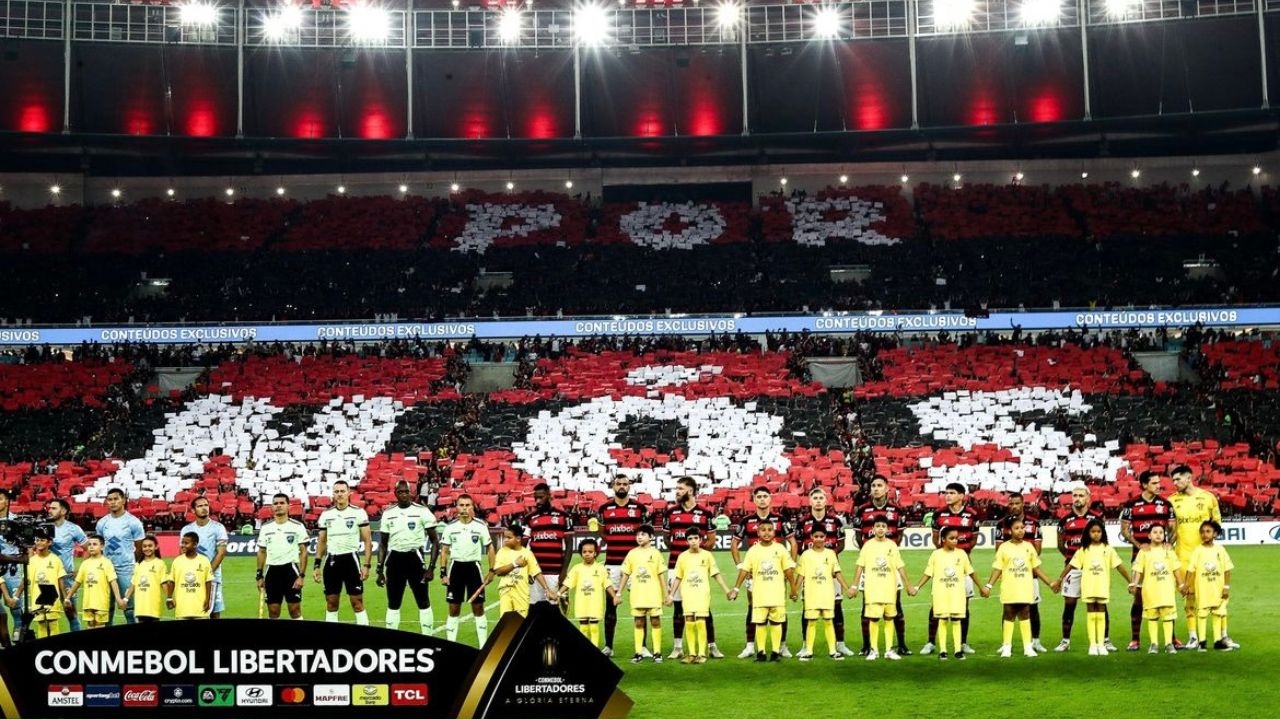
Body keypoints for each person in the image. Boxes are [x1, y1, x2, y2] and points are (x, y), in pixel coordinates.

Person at [1052, 518, 1132, 656]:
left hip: (1102, 585)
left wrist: (1131, 581)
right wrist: (1060, 579)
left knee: (1101, 612)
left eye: (1098, 531)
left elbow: (1120, 567)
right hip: (1089, 585)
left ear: (1103, 533)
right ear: (1087, 533)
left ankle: (1101, 644)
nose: (1096, 534)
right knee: (1091, 613)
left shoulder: (1108, 549)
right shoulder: (1084, 550)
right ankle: (1093, 644)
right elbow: (1071, 565)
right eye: (1093, 531)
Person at [730, 486, 794, 658]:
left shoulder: (780, 519)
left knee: (779, 607)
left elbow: (793, 543)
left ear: (770, 498)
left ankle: (782, 646)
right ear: (754, 499)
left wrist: (790, 565)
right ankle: (751, 646)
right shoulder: (747, 520)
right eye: (759, 496)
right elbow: (734, 544)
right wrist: (740, 566)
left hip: (775, 572)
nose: (762, 499)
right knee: (753, 607)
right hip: (755, 573)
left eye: (765, 496)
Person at [1168, 465, 1226, 649]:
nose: (1175, 483)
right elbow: (1172, 531)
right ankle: (1194, 637)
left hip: (1208, 557)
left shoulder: (1208, 498)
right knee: (1189, 598)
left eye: (1178, 479)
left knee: (1218, 597)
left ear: (1188, 477)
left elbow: (1217, 525)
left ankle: (1222, 636)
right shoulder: (1171, 501)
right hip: (1184, 557)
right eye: (1173, 480)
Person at [664, 476, 722, 659]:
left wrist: (697, 558)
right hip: (675, 566)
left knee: (704, 608)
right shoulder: (671, 512)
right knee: (678, 607)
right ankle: (678, 647)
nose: (677, 491)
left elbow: (711, 540)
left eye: (680, 488)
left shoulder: (706, 513)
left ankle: (711, 646)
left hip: (698, 568)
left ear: (690, 490)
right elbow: (667, 539)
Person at [852, 475, 909, 656]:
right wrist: (871, 553)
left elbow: (898, 537)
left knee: (895, 604)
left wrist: (887, 550)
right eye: (873, 486)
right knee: (867, 604)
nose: (876, 488)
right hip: (870, 565)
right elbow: (859, 537)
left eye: (879, 485)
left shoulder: (897, 510)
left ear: (887, 488)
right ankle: (867, 646)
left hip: (890, 564)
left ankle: (901, 644)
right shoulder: (861, 510)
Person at [1119, 470, 1176, 650]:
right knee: (1139, 598)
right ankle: (1135, 639)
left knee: (1166, 598)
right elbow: (1125, 530)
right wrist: (1138, 544)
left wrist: (1169, 544)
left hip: (1163, 558)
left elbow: (1174, 529)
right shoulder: (1131, 505)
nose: (1159, 485)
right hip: (1141, 558)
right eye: (1154, 483)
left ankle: (1171, 639)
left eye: (1159, 482)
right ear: (1144, 485)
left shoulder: (1166, 504)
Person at [921, 483, 979, 655]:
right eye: (946, 492)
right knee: (936, 606)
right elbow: (935, 538)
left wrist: (961, 553)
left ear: (962, 496)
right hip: (943, 566)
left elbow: (974, 539)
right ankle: (931, 642)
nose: (947, 496)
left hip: (962, 565)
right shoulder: (938, 514)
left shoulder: (972, 515)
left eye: (952, 493)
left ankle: (962, 642)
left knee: (964, 605)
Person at [986, 517, 1055, 658]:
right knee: (1009, 615)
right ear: (1010, 530)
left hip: (1025, 587)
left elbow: (1037, 568)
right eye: (1017, 528)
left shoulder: (1029, 547)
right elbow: (997, 569)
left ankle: (1027, 647)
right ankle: (1006, 646)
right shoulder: (1004, 547)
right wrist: (989, 586)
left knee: (1025, 615)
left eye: (1022, 528)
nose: (1021, 531)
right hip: (1009, 587)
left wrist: (1050, 583)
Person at [1054, 482, 1111, 652]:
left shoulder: (1096, 518)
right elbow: (1060, 544)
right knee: (1070, 603)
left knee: (1099, 602)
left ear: (1088, 498)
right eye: (1075, 496)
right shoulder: (1064, 520)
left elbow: (1104, 542)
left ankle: (1105, 640)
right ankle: (1065, 641)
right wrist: (1072, 559)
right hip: (1073, 568)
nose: (1077, 499)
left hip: (1093, 568)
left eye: (1080, 495)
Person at [914, 526, 986, 660]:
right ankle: (943, 651)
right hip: (940, 593)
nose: (955, 541)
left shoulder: (961, 554)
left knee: (956, 620)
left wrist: (982, 587)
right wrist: (917, 587)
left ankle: (958, 650)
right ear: (943, 539)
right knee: (942, 620)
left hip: (957, 593)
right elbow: (928, 573)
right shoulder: (936, 555)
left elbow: (971, 572)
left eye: (956, 538)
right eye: (951, 538)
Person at [377, 480, 440, 633]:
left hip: (415, 559)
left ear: (411, 493)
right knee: (393, 602)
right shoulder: (388, 514)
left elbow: (435, 541)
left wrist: (431, 567)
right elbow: (383, 544)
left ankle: (428, 636)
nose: (404, 494)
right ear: (395, 494)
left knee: (423, 601)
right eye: (401, 492)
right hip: (395, 560)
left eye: (407, 491)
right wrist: (379, 570)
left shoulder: (422, 511)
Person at [597, 475, 649, 658]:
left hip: (636, 564)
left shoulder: (640, 508)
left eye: (625, 484)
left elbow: (645, 534)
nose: (621, 487)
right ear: (613, 486)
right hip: (612, 563)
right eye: (618, 484)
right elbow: (603, 533)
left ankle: (642, 646)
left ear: (630, 487)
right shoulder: (604, 509)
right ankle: (609, 646)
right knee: (611, 605)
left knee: (641, 604)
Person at [667, 527, 731, 664]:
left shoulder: (707, 555)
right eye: (690, 539)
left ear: (701, 540)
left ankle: (702, 654)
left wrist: (726, 590)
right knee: (689, 619)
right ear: (686, 542)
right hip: (687, 593)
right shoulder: (682, 557)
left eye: (696, 538)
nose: (693, 541)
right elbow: (678, 577)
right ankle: (691, 654)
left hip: (702, 593)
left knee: (701, 620)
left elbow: (716, 574)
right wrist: (671, 595)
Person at [995, 491, 1048, 652]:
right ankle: (1006, 643)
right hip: (1010, 575)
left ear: (1023, 503)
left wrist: (1023, 555)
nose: (1014, 506)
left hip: (1029, 573)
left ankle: (1036, 640)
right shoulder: (1001, 524)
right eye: (1011, 503)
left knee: (1032, 607)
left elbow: (1037, 550)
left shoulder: (1034, 523)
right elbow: (999, 551)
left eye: (1017, 503)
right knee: (1008, 608)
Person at [314, 480, 373, 625]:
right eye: (336, 492)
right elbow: (322, 541)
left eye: (342, 491)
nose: (339, 494)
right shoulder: (326, 515)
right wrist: (316, 565)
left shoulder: (358, 513)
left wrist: (366, 565)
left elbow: (367, 541)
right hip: (332, 561)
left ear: (348, 493)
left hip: (351, 560)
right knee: (331, 603)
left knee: (357, 602)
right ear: (333, 495)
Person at [440, 494, 496, 645]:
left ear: (472, 507)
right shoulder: (450, 527)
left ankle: (483, 646)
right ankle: (450, 644)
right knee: (453, 608)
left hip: (474, 568)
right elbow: (444, 551)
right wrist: (443, 573)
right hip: (456, 568)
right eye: (461, 505)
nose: (464, 508)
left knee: (478, 607)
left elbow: (490, 547)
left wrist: (491, 570)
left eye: (467, 505)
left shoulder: (480, 526)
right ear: (456, 507)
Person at [792, 527, 852, 661]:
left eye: (821, 536)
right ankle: (808, 651)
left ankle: (833, 651)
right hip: (811, 594)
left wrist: (847, 588)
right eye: (816, 536)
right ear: (811, 537)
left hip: (826, 593)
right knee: (811, 622)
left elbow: (837, 573)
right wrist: (794, 590)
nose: (819, 539)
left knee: (829, 621)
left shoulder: (830, 554)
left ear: (826, 538)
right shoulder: (806, 555)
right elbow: (800, 575)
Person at [1129, 524, 1184, 653]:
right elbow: (1138, 570)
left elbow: (1176, 569)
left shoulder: (1169, 551)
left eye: (1161, 532)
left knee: (1168, 616)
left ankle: (1168, 643)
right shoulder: (1144, 552)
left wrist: (1181, 585)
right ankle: (1154, 644)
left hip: (1166, 590)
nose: (1158, 534)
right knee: (1152, 616)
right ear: (1149, 535)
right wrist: (1134, 584)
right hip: (1150, 590)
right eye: (1155, 532)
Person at [615, 524, 666, 663]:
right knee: (638, 622)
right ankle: (638, 653)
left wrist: (666, 594)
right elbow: (625, 574)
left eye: (643, 534)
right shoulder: (632, 553)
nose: (639, 537)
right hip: (638, 594)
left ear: (651, 537)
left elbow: (661, 574)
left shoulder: (655, 553)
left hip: (653, 594)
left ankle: (657, 653)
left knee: (655, 620)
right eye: (638, 535)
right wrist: (618, 593)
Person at [95, 487, 145, 625]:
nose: (112, 502)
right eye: (109, 499)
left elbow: (139, 547)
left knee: (129, 609)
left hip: (126, 569)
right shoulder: (102, 523)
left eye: (116, 499)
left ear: (123, 500)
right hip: (106, 569)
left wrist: (130, 562)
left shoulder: (133, 522)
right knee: (106, 608)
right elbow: (98, 545)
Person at [255, 494, 309, 620]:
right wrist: (259, 575)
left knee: (294, 610)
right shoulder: (266, 528)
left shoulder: (297, 526)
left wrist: (301, 576)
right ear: (272, 507)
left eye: (282, 503)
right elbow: (261, 552)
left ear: (288, 506)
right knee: (273, 611)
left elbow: (304, 552)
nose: (278, 506)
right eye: (276, 503)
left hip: (291, 571)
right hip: (272, 571)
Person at [1183, 520, 1234, 652]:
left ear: (1215, 534)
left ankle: (1217, 641)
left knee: (1217, 613)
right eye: (1202, 532)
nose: (1204, 534)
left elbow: (1227, 569)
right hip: (1203, 589)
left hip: (1218, 588)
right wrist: (1186, 585)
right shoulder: (1198, 551)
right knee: (1202, 613)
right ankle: (1202, 642)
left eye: (1208, 531)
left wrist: (1226, 587)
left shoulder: (1220, 550)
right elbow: (1191, 569)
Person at [523, 482, 573, 609]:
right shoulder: (529, 518)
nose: (537, 501)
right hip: (535, 572)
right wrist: (527, 569)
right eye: (536, 498)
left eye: (541, 497)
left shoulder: (563, 516)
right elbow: (523, 546)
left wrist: (564, 570)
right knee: (534, 607)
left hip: (555, 571)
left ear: (549, 496)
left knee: (552, 608)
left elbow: (569, 545)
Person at [491, 522, 555, 618]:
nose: (505, 540)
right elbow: (498, 572)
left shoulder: (527, 554)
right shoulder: (502, 552)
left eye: (509, 538)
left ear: (518, 539)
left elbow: (536, 572)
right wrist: (515, 564)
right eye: (505, 537)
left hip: (521, 592)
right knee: (505, 622)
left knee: (520, 622)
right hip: (506, 590)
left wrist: (547, 589)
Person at [561, 538, 616, 647]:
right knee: (583, 626)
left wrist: (614, 596)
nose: (587, 554)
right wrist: (558, 593)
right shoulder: (577, 568)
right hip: (582, 603)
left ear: (595, 553)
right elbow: (568, 583)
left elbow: (608, 584)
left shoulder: (600, 568)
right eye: (584, 552)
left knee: (594, 626)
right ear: (581, 553)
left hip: (595, 603)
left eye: (590, 552)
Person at [181, 496, 229, 619]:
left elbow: (221, 552)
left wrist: (207, 572)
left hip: (212, 577)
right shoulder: (187, 529)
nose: (204, 508)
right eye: (200, 506)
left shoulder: (218, 528)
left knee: (214, 612)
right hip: (192, 577)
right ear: (193, 510)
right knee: (193, 611)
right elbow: (182, 553)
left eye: (206, 505)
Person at [64, 535, 126, 629]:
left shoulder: (106, 563)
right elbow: (77, 582)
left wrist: (118, 599)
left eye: (95, 544)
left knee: (99, 626)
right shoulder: (85, 563)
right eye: (89, 544)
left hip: (101, 603)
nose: (91, 546)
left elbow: (113, 582)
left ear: (102, 546)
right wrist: (68, 597)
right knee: (90, 627)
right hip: (88, 603)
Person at [46, 498, 87, 631]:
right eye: (49, 508)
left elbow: (89, 548)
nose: (50, 510)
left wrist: (80, 570)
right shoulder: (43, 527)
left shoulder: (73, 529)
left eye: (54, 508)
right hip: (48, 577)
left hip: (67, 578)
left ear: (63, 511)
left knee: (71, 614)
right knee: (46, 614)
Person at [14, 528, 63, 639]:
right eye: (37, 540)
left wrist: (66, 598)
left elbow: (61, 581)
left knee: (53, 624)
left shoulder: (56, 560)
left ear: (49, 542)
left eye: (42, 540)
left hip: (52, 598)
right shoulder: (31, 561)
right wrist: (16, 596)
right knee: (41, 626)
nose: (39, 542)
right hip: (38, 599)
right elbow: (25, 580)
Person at [168, 531, 213, 620]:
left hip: (200, 609)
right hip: (182, 609)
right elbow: (171, 581)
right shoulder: (177, 561)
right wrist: (169, 598)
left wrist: (208, 600)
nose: (183, 545)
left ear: (195, 545)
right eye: (182, 543)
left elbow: (208, 581)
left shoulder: (204, 560)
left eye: (186, 543)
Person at [0, 489, 26, 644]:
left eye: (0, 498)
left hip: (11, 570)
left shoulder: (16, 522)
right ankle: (6, 643)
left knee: (16, 608)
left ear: (7, 501)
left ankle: (18, 645)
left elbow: (26, 550)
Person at [127, 535, 166, 623]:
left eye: (150, 546)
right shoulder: (138, 564)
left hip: (153, 606)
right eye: (144, 546)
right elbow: (134, 584)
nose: (147, 548)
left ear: (156, 546)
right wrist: (126, 599)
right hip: (140, 608)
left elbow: (163, 583)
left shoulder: (160, 564)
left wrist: (169, 598)